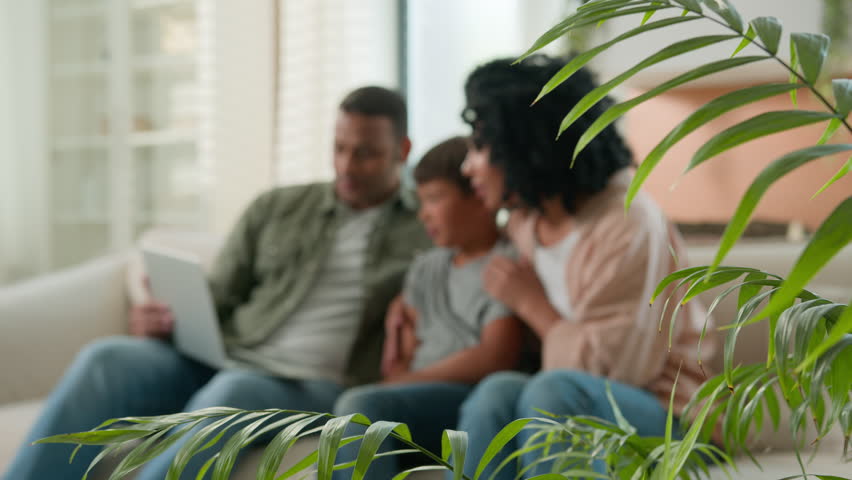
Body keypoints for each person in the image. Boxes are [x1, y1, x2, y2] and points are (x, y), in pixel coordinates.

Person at [3, 86, 432, 480]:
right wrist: (164, 319)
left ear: (403, 149)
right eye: (338, 149)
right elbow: (220, 294)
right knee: (106, 359)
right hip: (228, 355)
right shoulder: (278, 207)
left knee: (236, 389)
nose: (346, 166)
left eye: (366, 154)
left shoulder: (426, 229)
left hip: (314, 385)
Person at [454, 56, 717, 479]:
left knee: (552, 390)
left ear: (525, 149)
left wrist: (532, 304)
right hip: (580, 399)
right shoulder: (528, 220)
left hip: (671, 417)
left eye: (480, 148)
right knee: (496, 393)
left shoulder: (628, 224)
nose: (469, 167)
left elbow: (621, 372)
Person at [331, 136, 523, 479]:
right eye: (421, 201)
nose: (424, 214)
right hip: (419, 399)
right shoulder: (426, 268)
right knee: (356, 410)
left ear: (480, 197)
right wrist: (403, 377)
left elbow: (496, 355)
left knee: (361, 406)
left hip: (471, 398)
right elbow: (405, 352)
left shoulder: (508, 265)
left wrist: (407, 380)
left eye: (435, 199)